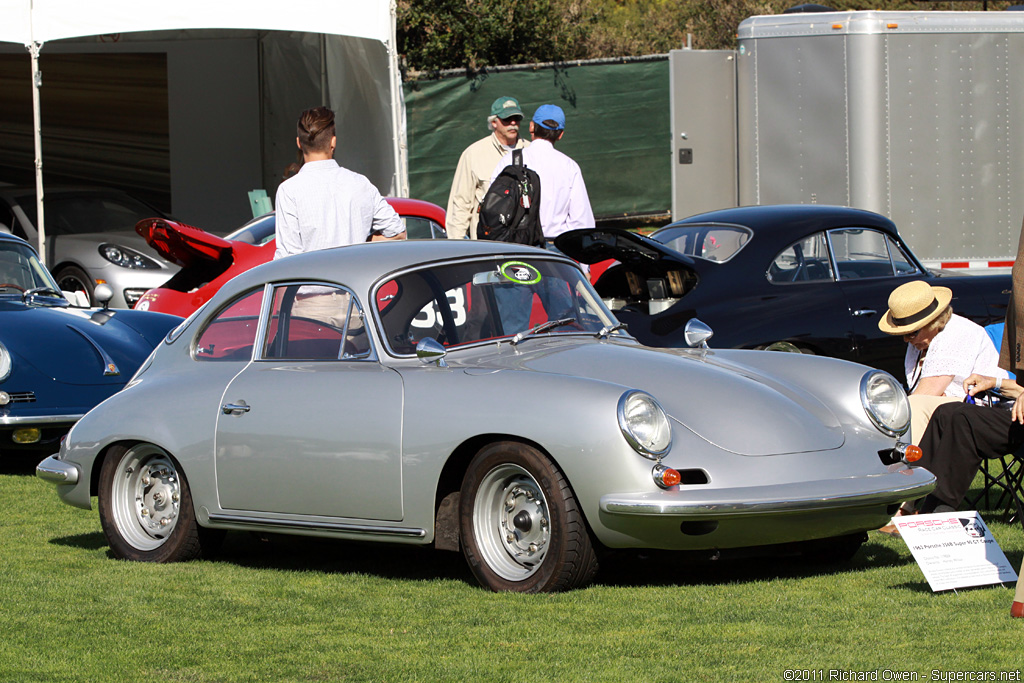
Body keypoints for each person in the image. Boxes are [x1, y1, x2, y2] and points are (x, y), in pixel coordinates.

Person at [878, 279, 1006, 447]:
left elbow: (925, 394)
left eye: (912, 332)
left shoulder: (957, 332)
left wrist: (933, 394)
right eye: (903, 333)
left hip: (986, 409)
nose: (906, 339)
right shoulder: (922, 340)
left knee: (912, 408)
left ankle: (907, 465)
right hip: (953, 410)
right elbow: (926, 391)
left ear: (933, 322)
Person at [274, 106, 405, 260]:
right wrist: (363, 243)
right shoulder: (361, 183)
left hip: (311, 283)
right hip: (355, 283)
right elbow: (398, 233)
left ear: (299, 143)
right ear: (333, 142)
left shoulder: (289, 190)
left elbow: (287, 258)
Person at [491, 103, 595, 245]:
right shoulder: (570, 167)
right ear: (560, 135)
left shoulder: (510, 160)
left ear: (532, 127)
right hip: (556, 249)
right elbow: (582, 222)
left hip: (517, 247)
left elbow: (494, 207)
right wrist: (583, 265)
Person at [445, 96, 529, 240]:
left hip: (525, 243)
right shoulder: (474, 154)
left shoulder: (530, 151)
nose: (513, 123)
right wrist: (456, 244)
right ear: (494, 122)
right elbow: (460, 203)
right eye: (507, 119)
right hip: (487, 243)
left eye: (517, 118)